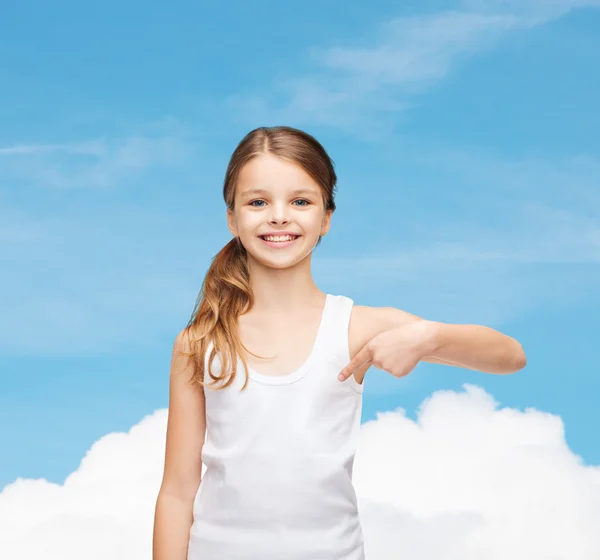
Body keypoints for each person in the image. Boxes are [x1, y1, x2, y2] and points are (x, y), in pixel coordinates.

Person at [152, 126, 527, 560]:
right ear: (232, 218)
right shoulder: (201, 341)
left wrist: (429, 337)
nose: (278, 216)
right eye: (258, 202)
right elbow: (178, 492)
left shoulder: (354, 328)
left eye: (300, 201)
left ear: (326, 217)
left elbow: (510, 357)